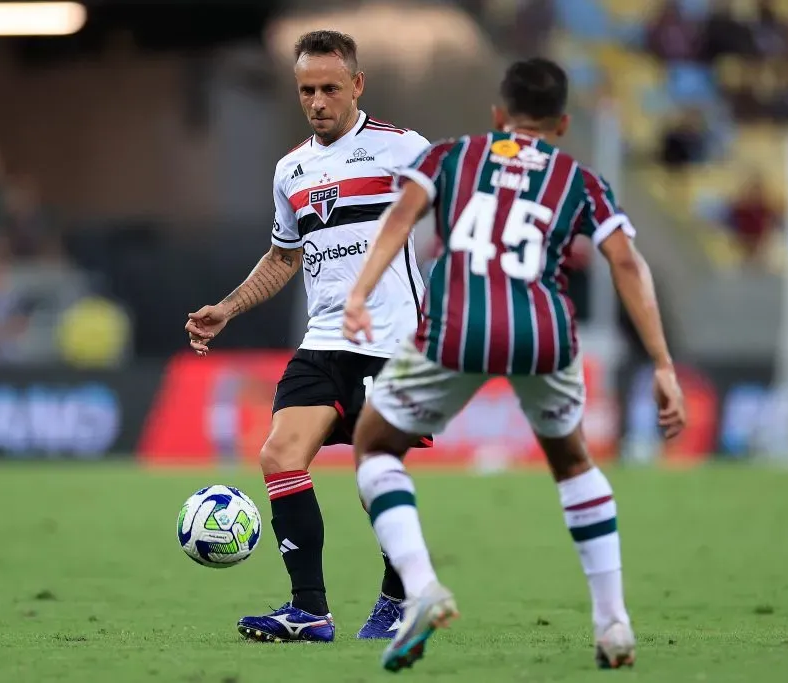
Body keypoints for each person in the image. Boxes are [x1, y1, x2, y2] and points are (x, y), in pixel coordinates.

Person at [341, 57, 687, 672]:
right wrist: (662, 362)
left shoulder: (451, 157)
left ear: (498, 115)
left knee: (373, 445)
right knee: (573, 462)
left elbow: (399, 218)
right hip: (544, 333)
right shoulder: (579, 179)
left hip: (457, 329)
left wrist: (361, 293)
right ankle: (613, 623)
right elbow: (627, 262)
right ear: (561, 123)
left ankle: (422, 590)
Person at [184, 30, 433, 643]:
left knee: (376, 472)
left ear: (357, 85)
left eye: (328, 87)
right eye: (305, 90)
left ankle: (400, 599)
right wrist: (228, 308)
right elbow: (282, 257)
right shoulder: (291, 169)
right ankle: (310, 611)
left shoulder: (403, 150)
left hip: (392, 340)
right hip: (324, 338)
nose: (317, 101)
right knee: (278, 456)